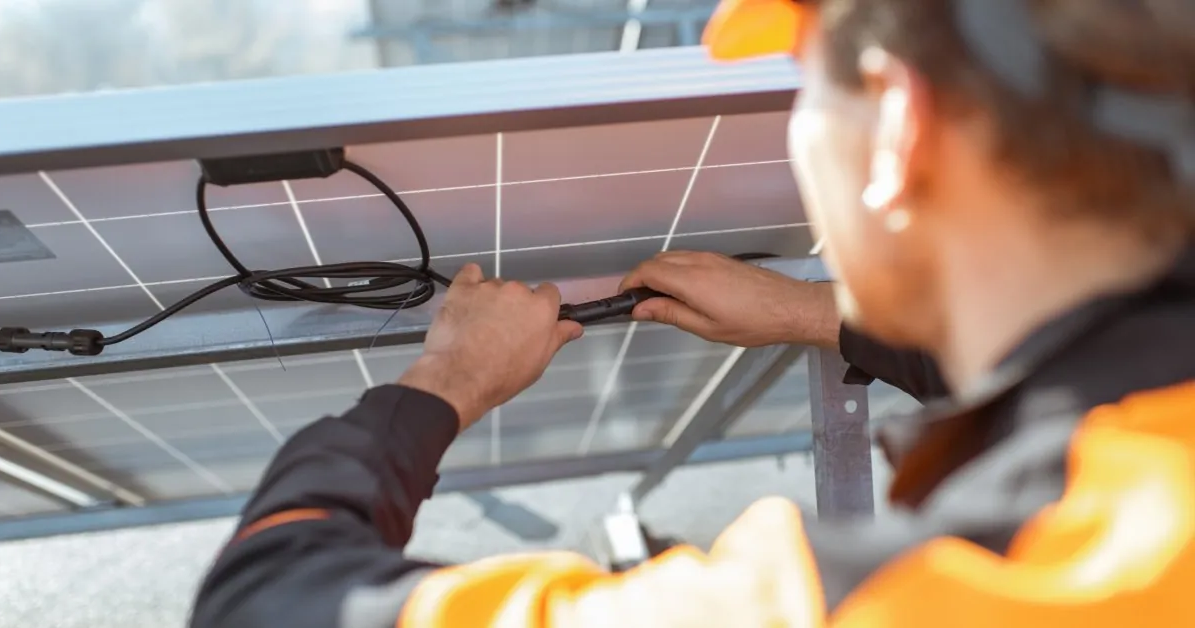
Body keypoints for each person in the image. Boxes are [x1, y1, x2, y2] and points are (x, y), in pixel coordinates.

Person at [190, 0, 1195, 625]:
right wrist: (811, 311)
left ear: (898, 126)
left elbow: (266, 604)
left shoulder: (925, 602)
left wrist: (445, 383)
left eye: (808, 86)